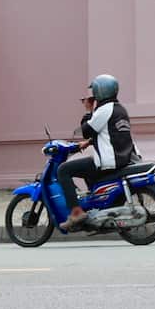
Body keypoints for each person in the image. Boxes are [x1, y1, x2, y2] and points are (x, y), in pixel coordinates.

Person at [58, 74, 139, 230]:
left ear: (100, 91)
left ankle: (76, 213)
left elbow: (86, 130)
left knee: (64, 170)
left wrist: (89, 110)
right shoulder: (120, 109)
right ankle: (97, 210)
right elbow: (108, 133)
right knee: (88, 173)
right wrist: (89, 142)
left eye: (94, 91)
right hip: (123, 157)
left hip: (110, 161)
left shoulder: (104, 110)